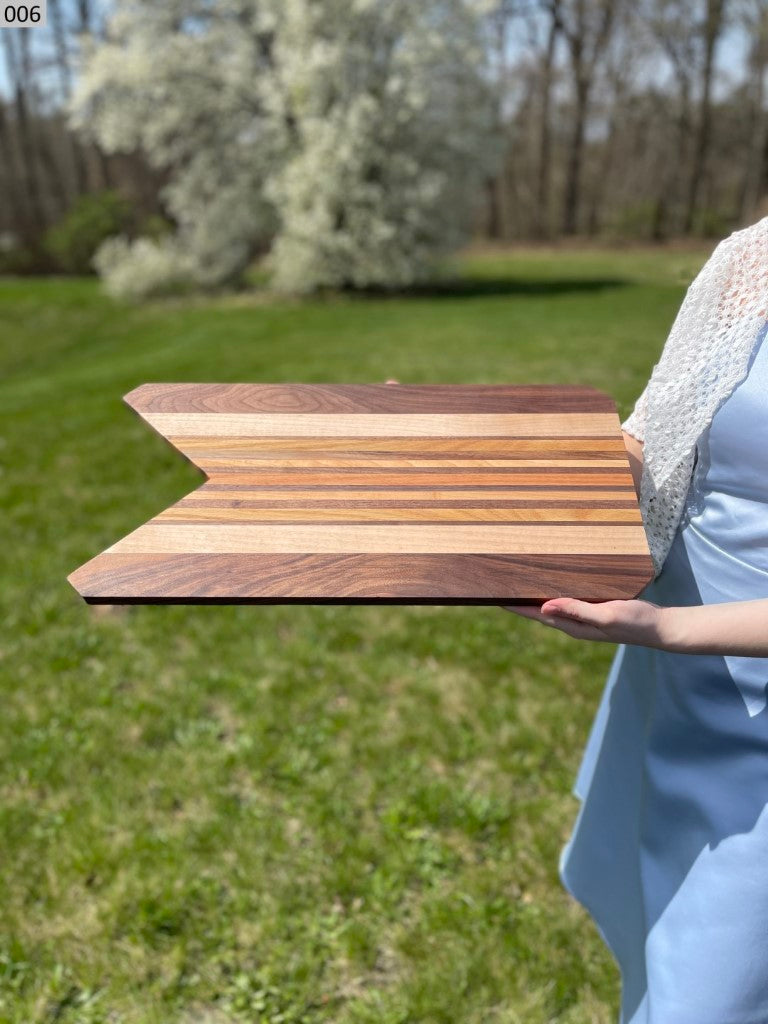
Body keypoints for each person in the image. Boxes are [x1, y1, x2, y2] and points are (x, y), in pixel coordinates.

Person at [501, 217, 768, 1024]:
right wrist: (462, 449)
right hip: (677, 688)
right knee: (668, 946)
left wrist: (663, 628)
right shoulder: (750, 257)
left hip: (719, 686)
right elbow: (653, 439)